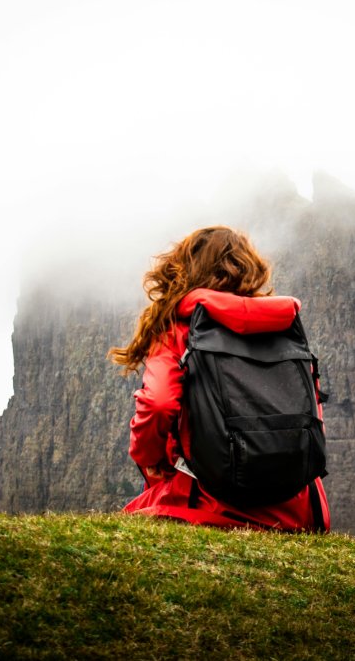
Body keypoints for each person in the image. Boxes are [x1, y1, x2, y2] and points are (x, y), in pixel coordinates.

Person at [109, 226, 330, 531]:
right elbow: (311, 411)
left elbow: (158, 404)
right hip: (296, 510)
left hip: (210, 503)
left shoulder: (181, 329)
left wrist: (149, 459)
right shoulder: (283, 328)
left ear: (185, 270)